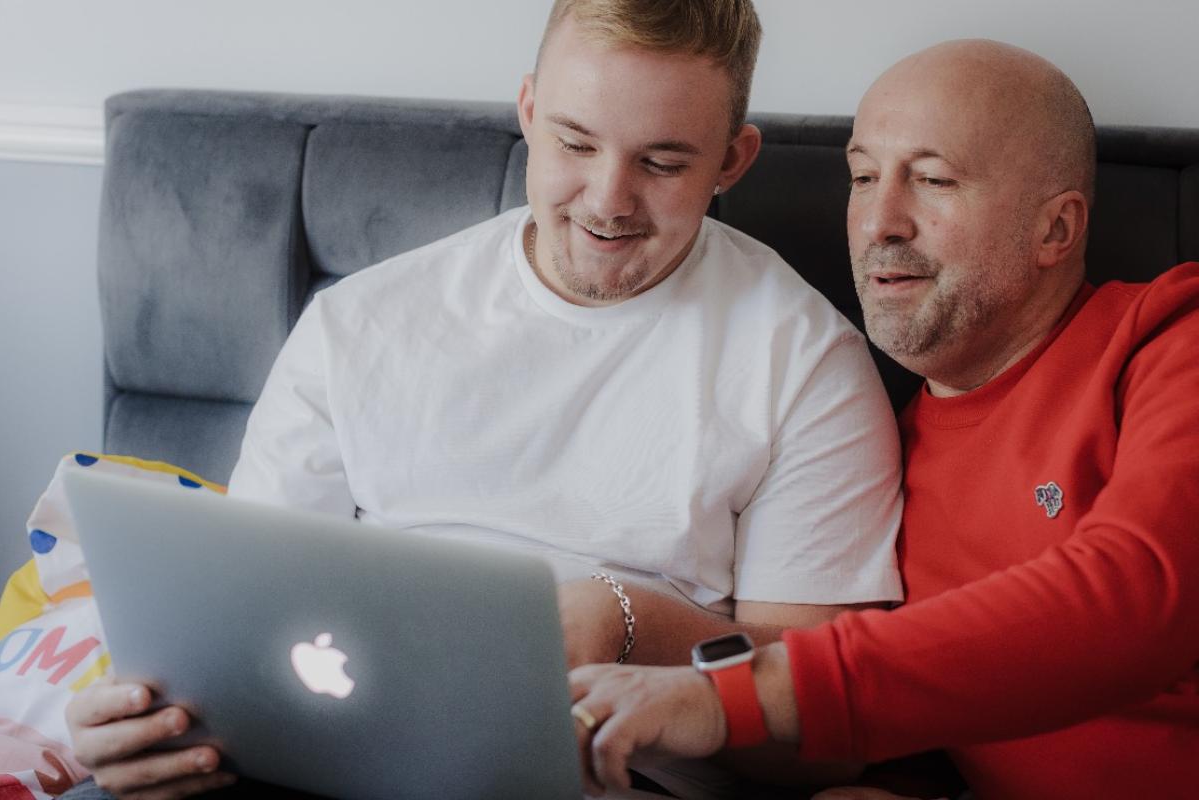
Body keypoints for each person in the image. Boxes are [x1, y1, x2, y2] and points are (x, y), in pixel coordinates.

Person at [61, 2, 905, 798]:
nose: (609, 200)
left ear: (732, 160)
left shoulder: (806, 365)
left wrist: (628, 622)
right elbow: (241, 613)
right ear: (530, 112)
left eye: (661, 162)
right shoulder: (362, 322)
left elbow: (818, 737)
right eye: (576, 143)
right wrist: (152, 724)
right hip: (321, 757)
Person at [568, 38, 1199, 800]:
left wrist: (734, 694)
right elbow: (940, 699)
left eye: (932, 180)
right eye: (864, 177)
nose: (880, 222)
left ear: (1056, 230)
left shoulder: (1170, 337)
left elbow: (1139, 599)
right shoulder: (880, 449)